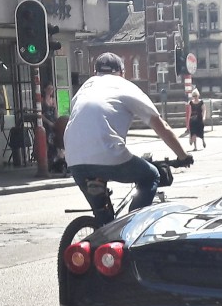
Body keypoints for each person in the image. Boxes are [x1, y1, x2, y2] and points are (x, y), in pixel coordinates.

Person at [64, 52, 192, 223]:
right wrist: (183, 156)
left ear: (96, 72)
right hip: (107, 155)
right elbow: (160, 125)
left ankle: (101, 233)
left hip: (74, 159)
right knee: (151, 175)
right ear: (122, 72)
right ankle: (132, 225)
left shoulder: (84, 88)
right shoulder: (124, 85)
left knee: (103, 220)